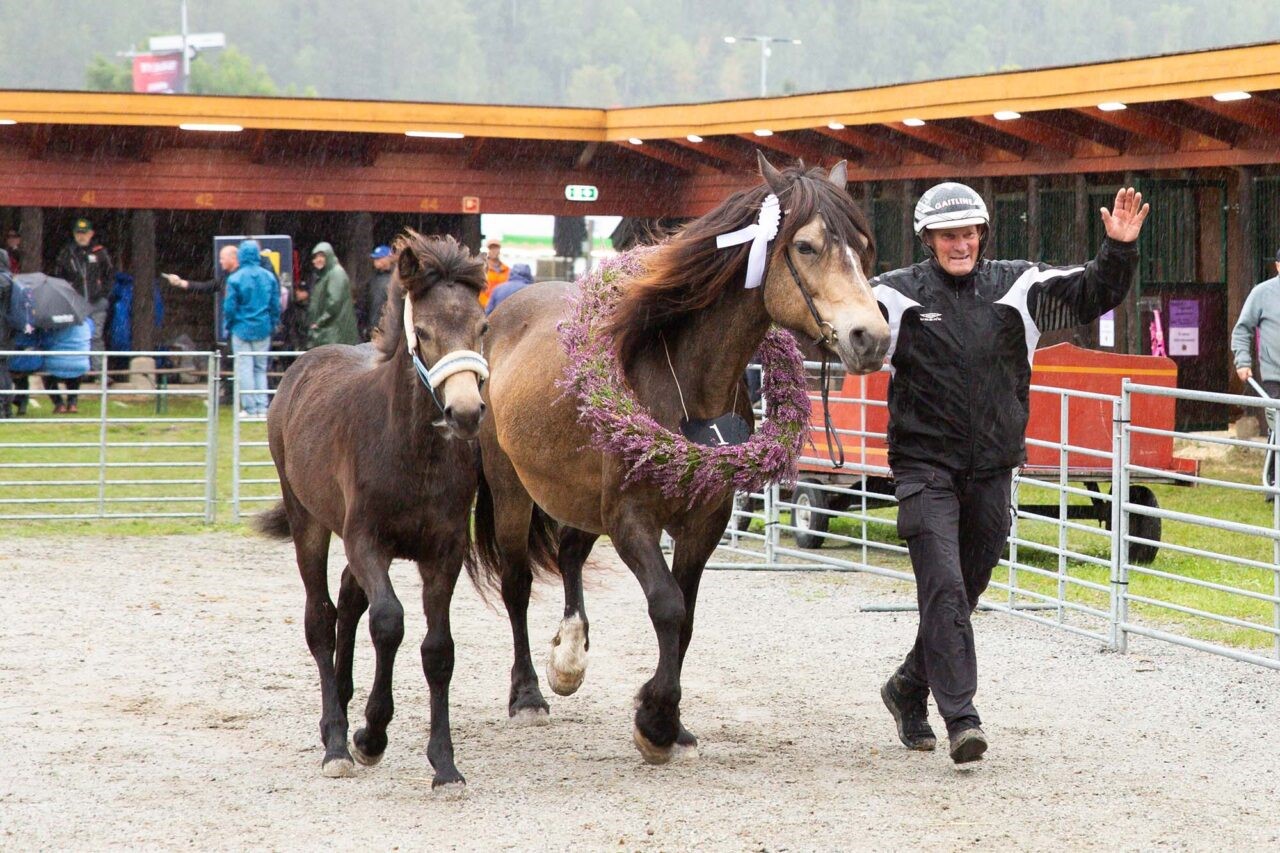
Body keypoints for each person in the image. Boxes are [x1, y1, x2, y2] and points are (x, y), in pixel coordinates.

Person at [872, 182, 1149, 764]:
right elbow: (829, 317)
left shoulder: (1018, 286)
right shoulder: (895, 296)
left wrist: (1118, 249)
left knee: (966, 588)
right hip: (924, 468)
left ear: (983, 235)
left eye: (970, 232)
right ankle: (961, 719)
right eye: (949, 234)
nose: (961, 243)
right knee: (943, 586)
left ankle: (906, 686)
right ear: (927, 239)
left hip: (994, 468)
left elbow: (1090, 293)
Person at [1230, 248, 1280, 498]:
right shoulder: (1262, 293)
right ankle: (1273, 483)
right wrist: (1242, 361)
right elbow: (1242, 330)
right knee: (1278, 425)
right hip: (1274, 376)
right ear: (1278, 266)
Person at [223, 240, 280, 416]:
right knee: (260, 368)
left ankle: (249, 407)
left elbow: (229, 307)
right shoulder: (269, 276)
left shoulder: (235, 278)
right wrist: (273, 322)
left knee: (244, 368)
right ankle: (263, 407)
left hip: (241, 328)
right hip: (263, 327)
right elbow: (275, 304)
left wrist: (230, 324)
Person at [53, 218, 112, 370]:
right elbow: (59, 277)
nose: (81, 236)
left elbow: (109, 275)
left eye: (84, 233)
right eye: (78, 233)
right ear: (74, 234)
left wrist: (104, 294)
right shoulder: (67, 253)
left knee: (96, 336)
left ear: (91, 234)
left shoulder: (100, 252)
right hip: (76, 304)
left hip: (96, 303)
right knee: (77, 336)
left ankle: (99, 372)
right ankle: (80, 369)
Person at [296, 242, 358, 348]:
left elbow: (334, 302)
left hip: (334, 332)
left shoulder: (335, 273)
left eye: (321, 256)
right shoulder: (324, 275)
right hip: (329, 331)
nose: (318, 260)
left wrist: (319, 323)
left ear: (328, 256)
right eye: (315, 257)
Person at [161, 244, 239, 293]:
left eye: (222, 258)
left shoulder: (245, 278)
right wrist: (179, 282)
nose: (220, 261)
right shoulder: (224, 279)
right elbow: (204, 286)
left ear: (233, 258)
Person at [362, 244, 395, 340]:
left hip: (389, 330)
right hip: (373, 328)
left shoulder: (396, 280)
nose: (376, 261)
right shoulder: (373, 280)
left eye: (379, 258)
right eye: (375, 259)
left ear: (388, 258)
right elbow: (366, 304)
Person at [481, 234, 509, 307]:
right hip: (485, 307)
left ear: (499, 250)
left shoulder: (507, 270)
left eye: (496, 248)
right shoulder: (482, 269)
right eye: (491, 248)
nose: (494, 251)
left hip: (502, 306)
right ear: (488, 250)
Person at [0, 249, 12, 418]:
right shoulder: (9, 278)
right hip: (7, 331)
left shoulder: (2, 280)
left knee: (1, 369)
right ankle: (7, 406)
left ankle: (3, 405)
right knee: (3, 368)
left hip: (2, 331)